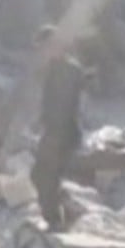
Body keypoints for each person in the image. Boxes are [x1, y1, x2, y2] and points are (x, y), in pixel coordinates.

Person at [30, 27, 93, 232]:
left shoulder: (64, 69)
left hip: (60, 132)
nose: (41, 53)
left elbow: (62, 105)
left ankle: (55, 219)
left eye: (43, 48)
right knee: (47, 176)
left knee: (43, 175)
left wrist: (51, 132)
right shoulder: (63, 67)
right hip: (61, 131)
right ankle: (57, 216)